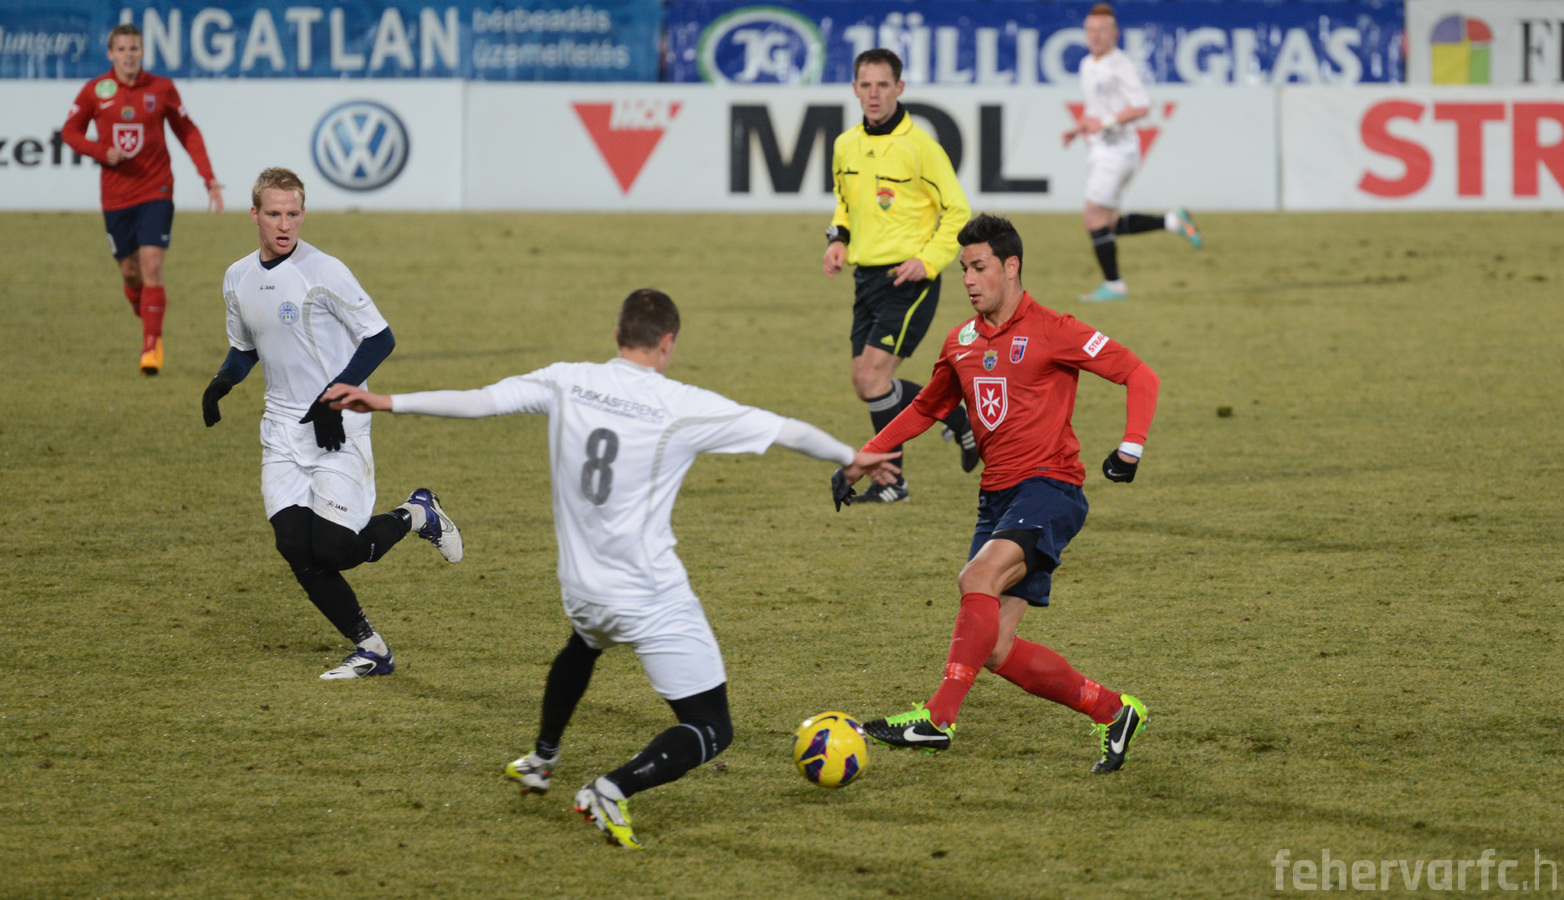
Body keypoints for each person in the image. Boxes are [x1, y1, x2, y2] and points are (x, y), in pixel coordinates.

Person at [321, 289, 900, 849]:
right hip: (648, 594)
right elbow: (784, 430)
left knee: (585, 643)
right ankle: (611, 790)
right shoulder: (682, 404)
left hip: (581, 587)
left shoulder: (567, 380)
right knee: (711, 727)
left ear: (618, 334)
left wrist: (387, 401)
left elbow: (482, 399)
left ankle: (541, 759)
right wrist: (852, 456)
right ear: (668, 343)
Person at [835, 213, 1158, 773]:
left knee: (976, 579)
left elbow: (1139, 374)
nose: (968, 279)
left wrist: (1130, 448)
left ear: (1011, 267)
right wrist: (867, 456)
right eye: (963, 268)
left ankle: (936, 720)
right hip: (997, 498)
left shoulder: (1056, 329)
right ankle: (1114, 711)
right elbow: (927, 406)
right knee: (996, 647)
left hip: (1050, 487)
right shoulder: (960, 341)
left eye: (979, 267)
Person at [201, 167, 463, 681]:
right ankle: (371, 648)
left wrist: (334, 397)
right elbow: (245, 346)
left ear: (303, 213)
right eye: (273, 214)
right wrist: (222, 381)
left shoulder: (324, 271)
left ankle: (417, 514)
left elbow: (380, 338)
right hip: (282, 429)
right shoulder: (238, 277)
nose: (284, 225)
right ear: (254, 215)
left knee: (337, 549)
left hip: (337, 425)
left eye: (293, 214)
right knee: (293, 545)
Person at [823, 47, 977, 502]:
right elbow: (845, 203)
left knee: (873, 379)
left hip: (909, 280)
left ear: (899, 88)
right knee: (865, 383)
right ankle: (956, 416)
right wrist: (838, 240)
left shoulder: (921, 147)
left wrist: (926, 261)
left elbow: (958, 211)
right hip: (866, 279)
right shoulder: (845, 145)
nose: (874, 94)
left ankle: (893, 483)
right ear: (855, 89)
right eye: (866, 85)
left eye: (883, 85)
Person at [61, 23, 225, 375]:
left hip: (157, 189)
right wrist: (101, 151)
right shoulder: (95, 90)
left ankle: (151, 344)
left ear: (142, 52)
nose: (128, 55)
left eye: (134, 48)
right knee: (131, 272)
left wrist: (208, 177)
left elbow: (187, 131)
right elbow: (70, 132)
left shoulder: (161, 87)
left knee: (151, 266)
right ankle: (148, 315)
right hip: (116, 195)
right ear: (111, 54)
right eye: (121, 49)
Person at [1065, 3, 1202, 303]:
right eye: (1090, 30)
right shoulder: (1087, 64)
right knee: (1109, 222)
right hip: (1103, 148)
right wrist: (1078, 128)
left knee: (1093, 217)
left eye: (1102, 30)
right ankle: (1173, 221)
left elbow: (1141, 106)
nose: (1095, 35)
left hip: (1118, 151)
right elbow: (1095, 109)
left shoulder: (1120, 65)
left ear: (1115, 33)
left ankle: (1114, 285)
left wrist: (1105, 123)